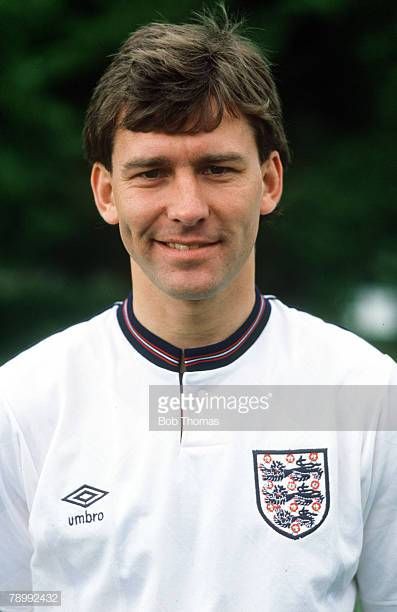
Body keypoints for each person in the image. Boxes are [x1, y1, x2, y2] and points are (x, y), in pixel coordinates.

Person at [0, 8, 396, 612]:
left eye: (216, 169)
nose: (187, 207)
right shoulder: (24, 403)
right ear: (107, 192)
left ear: (269, 181)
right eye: (152, 173)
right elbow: (20, 599)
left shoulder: (361, 392)